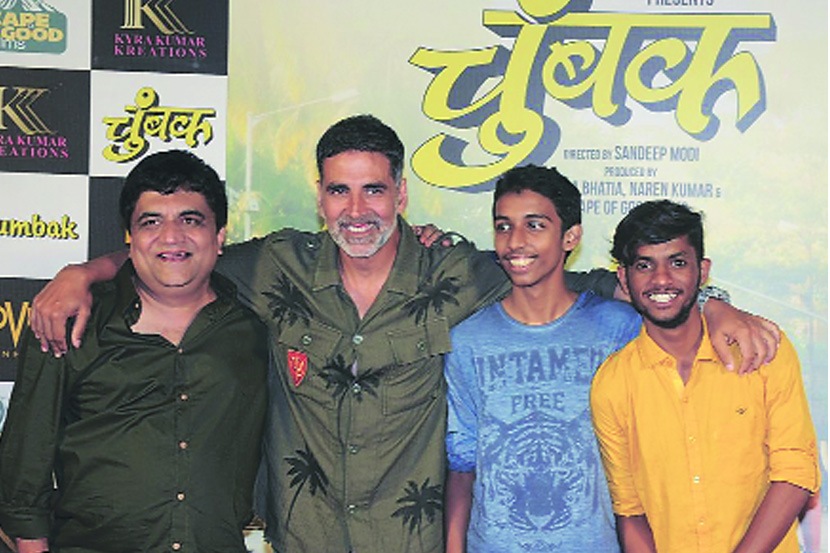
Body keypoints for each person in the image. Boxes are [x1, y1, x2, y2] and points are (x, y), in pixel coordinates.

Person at [28, 116, 779, 553]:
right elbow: (177, 251)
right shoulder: (275, 265)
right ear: (319, 196)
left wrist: (715, 305)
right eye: (339, 189)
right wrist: (84, 270)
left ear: (401, 194)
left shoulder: (459, 273)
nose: (357, 210)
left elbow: (600, 282)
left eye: (374, 189)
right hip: (306, 541)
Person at [0, 150, 269, 553]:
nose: (171, 237)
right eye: (151, 222)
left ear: (219, 237)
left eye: (190, 220)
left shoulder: (256, 330)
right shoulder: (68, 323)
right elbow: (25, 469)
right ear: (130, 237)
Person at [590, 200, 820, 553]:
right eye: (644, 265)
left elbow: (795, 472)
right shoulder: (612, 385)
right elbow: (630, 510)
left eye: (678, 262)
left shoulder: (763, 351)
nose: (661, 279)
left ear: (703, 271)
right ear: (623, 277)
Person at [444, 165, 642, 553]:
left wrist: (717, 307)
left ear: (571, 236)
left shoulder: (619, 330)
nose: (515, 242)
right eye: (503, 226)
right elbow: (463, 464)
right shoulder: (466, 341)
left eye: (534, 225)